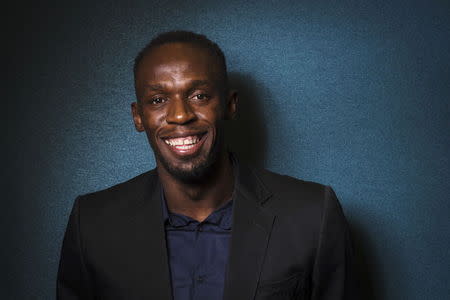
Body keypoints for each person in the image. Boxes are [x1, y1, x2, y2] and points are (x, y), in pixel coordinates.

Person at [57, 31, 357, 300]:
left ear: (230, 104)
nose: (179, 115)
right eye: (158, 99)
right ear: (138, 117)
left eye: (199, 96)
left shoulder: (313, 216)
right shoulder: (92, 224)